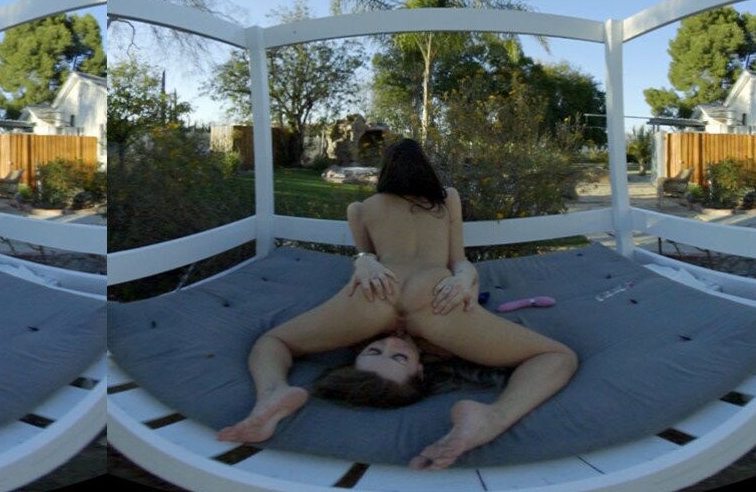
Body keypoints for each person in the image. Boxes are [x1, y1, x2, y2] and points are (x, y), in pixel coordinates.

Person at [216, 138, 577, 470]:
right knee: (556, 356)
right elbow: (458, 259)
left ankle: (272, 394)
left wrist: (363, 261)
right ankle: (493, 418)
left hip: (376, 293)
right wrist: (463, 277)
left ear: (383, 172)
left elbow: (366, 257)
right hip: (435, 294)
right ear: (426, 169)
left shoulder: (361, 208)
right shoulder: (447, 198)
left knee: (273, 341)